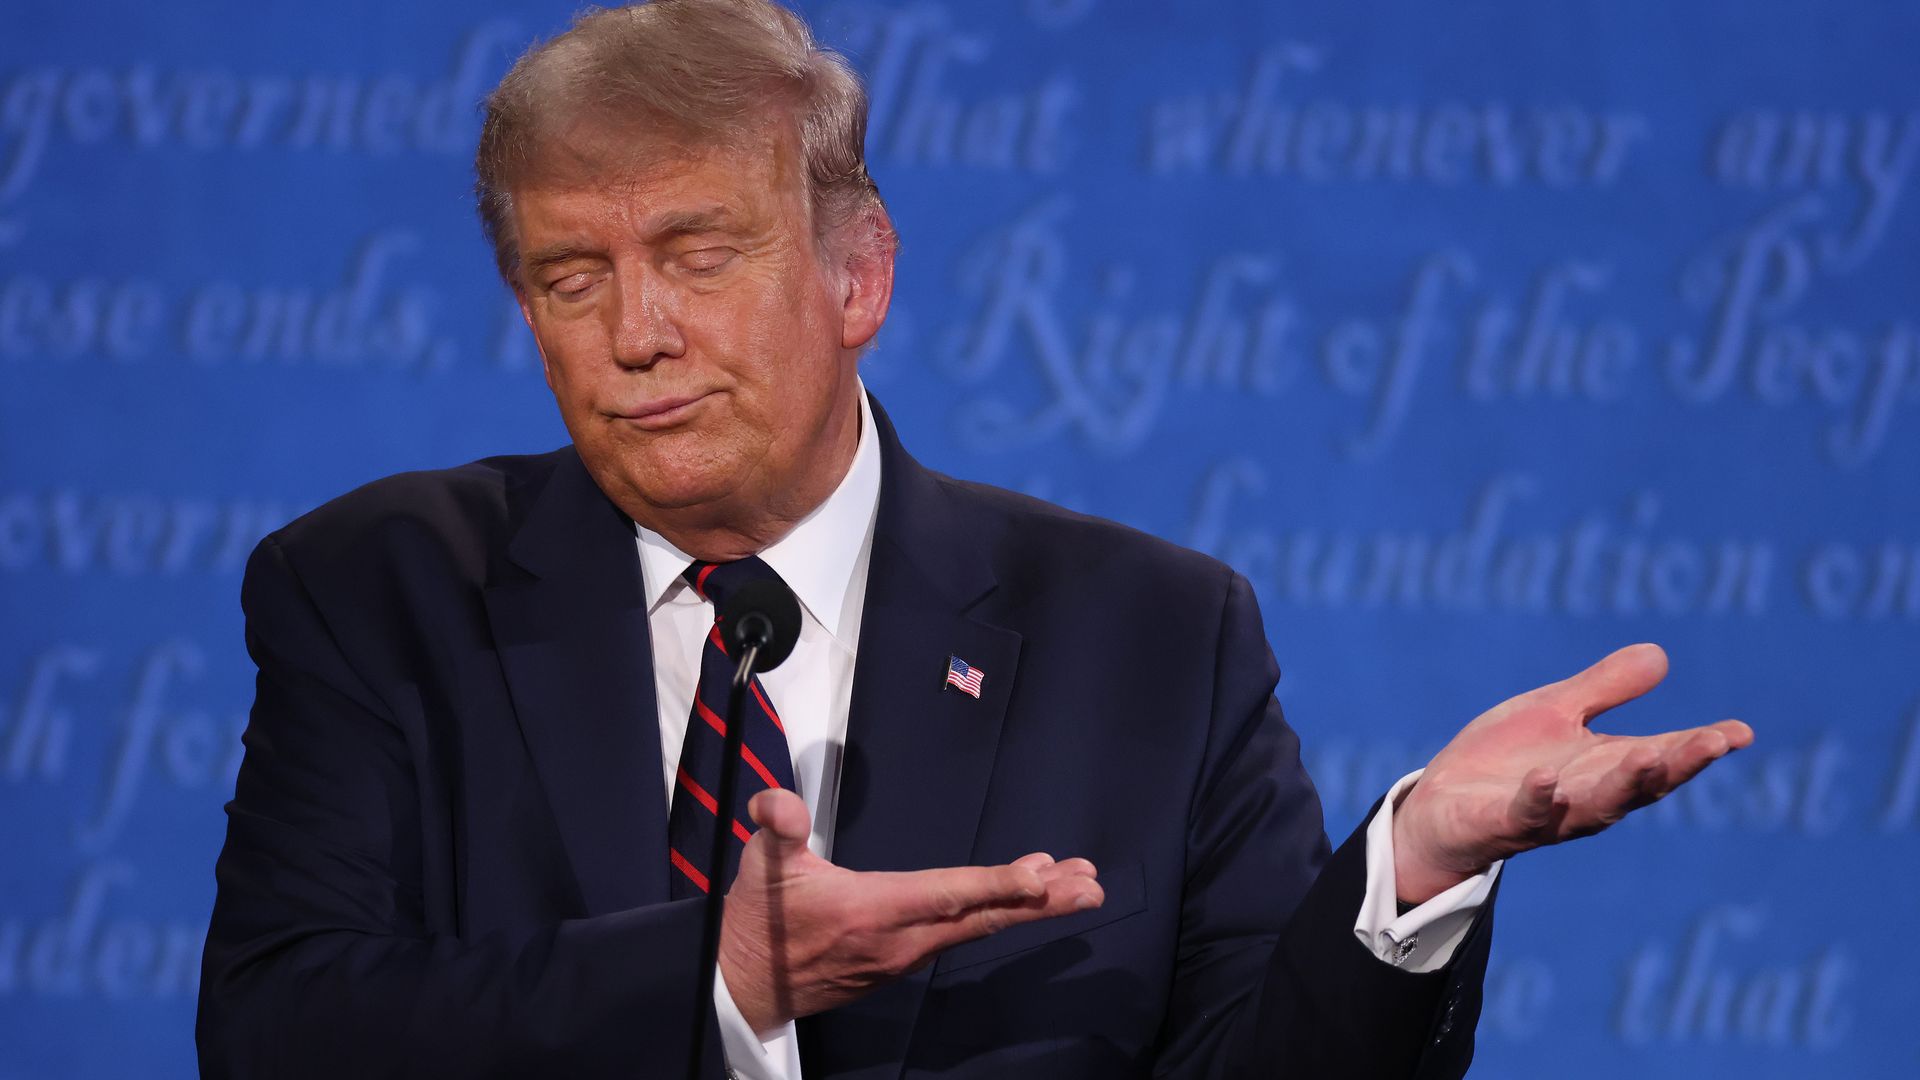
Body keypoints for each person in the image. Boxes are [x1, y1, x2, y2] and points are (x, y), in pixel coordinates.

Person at [195, 2, 1753, 1077]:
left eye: (697, 253)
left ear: (855, 276)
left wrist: (1414, 866)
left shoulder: (1154, 637)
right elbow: (279, 1037)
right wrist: (720, 981)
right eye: (570, 276)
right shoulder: (380, 590)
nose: (638, 334)